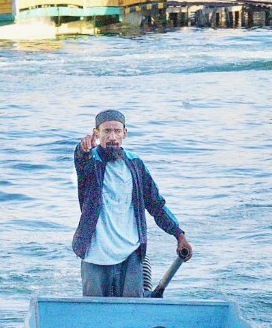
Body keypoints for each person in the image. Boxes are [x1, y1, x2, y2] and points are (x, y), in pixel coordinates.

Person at [72, 110, 192, 297]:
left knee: (133, 309)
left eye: (117, 131)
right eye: (106, 131)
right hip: (95, 254)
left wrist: (178, 234)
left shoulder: (135, 164)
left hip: (130, 253)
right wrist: (82, 149)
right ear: (97, 133)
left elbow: (156, 204)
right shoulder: (91, 162)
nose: (112, 137)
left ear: (124, 133)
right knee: (94, 311)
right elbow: (81, 159)